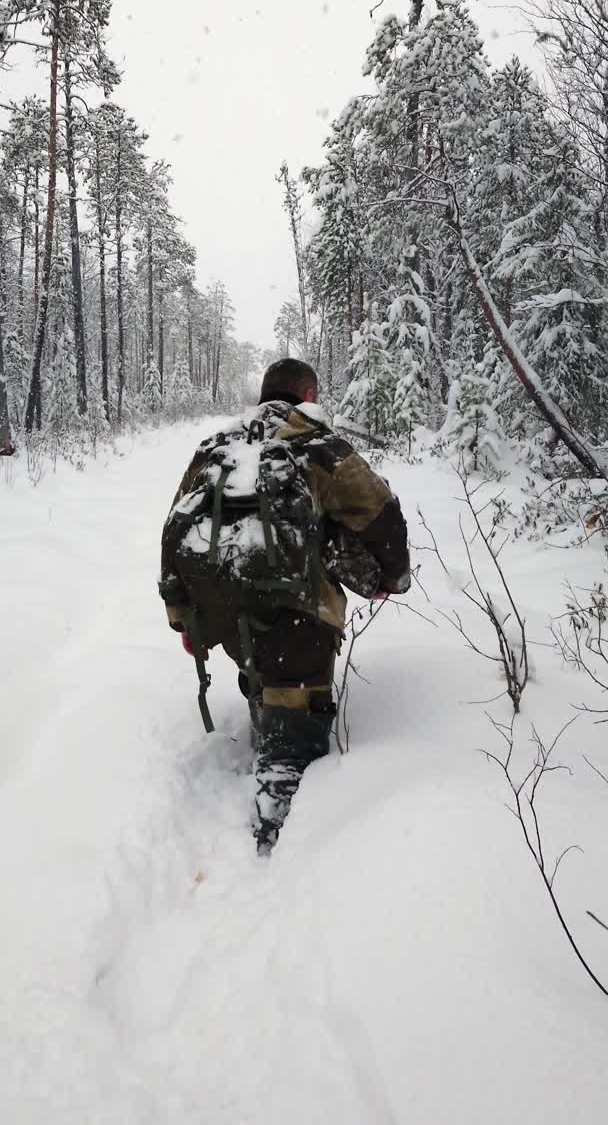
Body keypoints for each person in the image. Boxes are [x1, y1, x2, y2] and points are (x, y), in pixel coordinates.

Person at [159, 357, 410, 852]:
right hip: (299, 615)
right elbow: (379, 512)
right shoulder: (315, 442)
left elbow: (174, 532)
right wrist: (392, 578)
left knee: (261, 663)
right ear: (309, 395)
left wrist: (183, 619)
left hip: (221, 612)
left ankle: (264, 704)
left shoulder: (218, 446)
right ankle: (274, 850)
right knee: (292, 727)